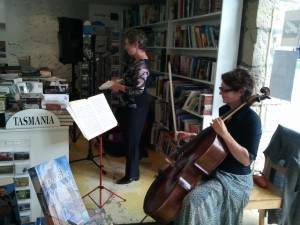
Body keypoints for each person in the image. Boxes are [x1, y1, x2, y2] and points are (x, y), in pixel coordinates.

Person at [174, 67, 262, 225]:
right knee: (180, 190)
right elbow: (216, 143)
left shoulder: (252, 120)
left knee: (193, 201)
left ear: (241, 91)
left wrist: (225, 133)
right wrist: (193, 138)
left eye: (224, 90)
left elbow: (246, 159)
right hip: (214, 168)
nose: (220, 93)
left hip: (234, 179)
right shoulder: (225, 110)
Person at [110, 28, 151, 185]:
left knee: (132, 141)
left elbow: (138, 91)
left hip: (136, 108)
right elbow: (133, 82)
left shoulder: (143, 67)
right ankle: (133, 172)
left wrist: (119, 87)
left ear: (136, 44)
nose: (125, 47)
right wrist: (120, 81)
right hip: (129, 106)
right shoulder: (136, 63)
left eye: (127, 44)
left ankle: (131, 175)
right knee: (129, 139)